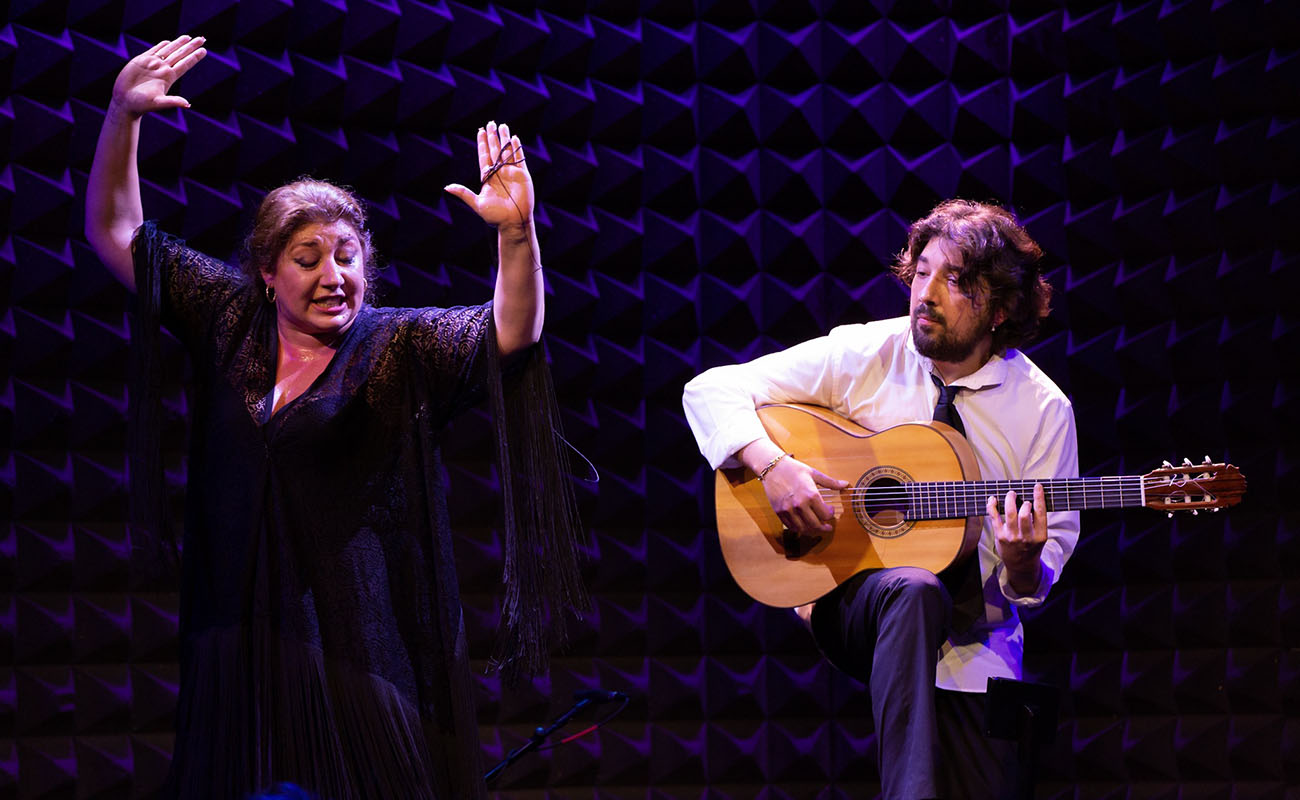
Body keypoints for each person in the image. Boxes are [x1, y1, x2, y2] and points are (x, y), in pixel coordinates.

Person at [85, 36, 586, 799]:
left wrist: (516, 232)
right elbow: (117, 233)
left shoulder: (396, 347)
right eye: (309, 256)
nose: (334, 276)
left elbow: (510, 332)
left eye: (348, 256)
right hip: (238, 639)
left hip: (357, 645)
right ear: (266, 271)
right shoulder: (228, 321)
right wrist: (122, 114)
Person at [682, 199, 1079, 799]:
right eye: (922, 272)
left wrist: (1025, 563)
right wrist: (775, 467)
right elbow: (708, 390)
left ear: (999, 309)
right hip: (854, 606)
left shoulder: (1043, 410)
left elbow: (1037, 578)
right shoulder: (866, 354)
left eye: (956, 281)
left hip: (979, 653)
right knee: (915, 589)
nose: (927, 293)